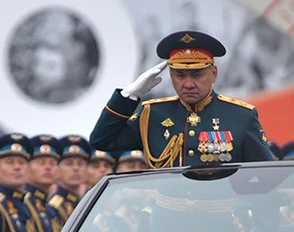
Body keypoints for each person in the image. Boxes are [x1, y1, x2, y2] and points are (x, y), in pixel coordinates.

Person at [89, 30, 274, 167]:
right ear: (170, 75)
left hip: (220, 215)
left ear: (214, 74)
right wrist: (128, 97)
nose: (188, 84)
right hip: (168, 217)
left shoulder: (240, 116)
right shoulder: (152, 114)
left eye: (197, 75)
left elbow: (264, 174)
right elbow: (101, 141)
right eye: (180, 75)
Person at [25, 135, 63, 232]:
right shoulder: (25, 205)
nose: (48, 167)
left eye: (52, 163)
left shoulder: (50, 208)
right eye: (41, 163)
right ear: (28, 167)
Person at [50, 136, 89, 225]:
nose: (76, 168)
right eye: (69, 164)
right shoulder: (54, 206)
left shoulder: (86, 202)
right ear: (57, 169)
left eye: (80, 164)